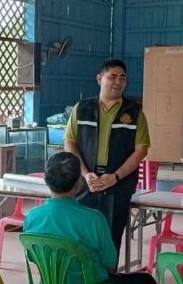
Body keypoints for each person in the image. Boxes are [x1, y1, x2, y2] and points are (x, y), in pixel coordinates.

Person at [22, 151, 158, 284]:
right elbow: (110, 264)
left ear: (45, 180)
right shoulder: (94, 219)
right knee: (146, 282)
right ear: (79, 183)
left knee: (66, 280)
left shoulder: (32, 217)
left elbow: (32, 258)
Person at [64, 58, 151, 253]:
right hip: (87, 183)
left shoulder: (135, 113)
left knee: (110, 239)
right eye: (112, 77)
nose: (118, 82)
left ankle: (107, 280)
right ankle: (84, 279)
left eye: (122, 78)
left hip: (118, 185)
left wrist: (115, 177)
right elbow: (70, 143)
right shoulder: (82, 109)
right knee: (81, 237)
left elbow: (141, 150)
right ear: (99, 79)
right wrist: (86, 174)